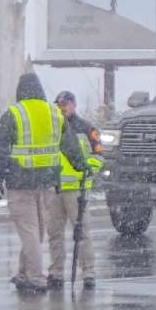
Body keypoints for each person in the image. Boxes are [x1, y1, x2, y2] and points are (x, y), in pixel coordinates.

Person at [0, 73, 88, 293]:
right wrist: (81, 165)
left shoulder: (15, 114)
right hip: (46, 182)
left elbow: (0, 146)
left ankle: (35, 277)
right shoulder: (54, 113)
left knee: (29, 231)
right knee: (37, 230)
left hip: (20, 180)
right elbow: (69, 144)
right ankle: (24, 273)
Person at [46, 91, 105, 290]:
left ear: (74, 105)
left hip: (77, 190)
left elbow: (98, 157)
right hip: (55, 188)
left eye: (66, 104)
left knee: (82, 233)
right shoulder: (52, 127)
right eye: (60, 104)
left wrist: (86, 172)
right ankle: (56, 272)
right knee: (54, 233)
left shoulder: (87, 128)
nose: (62, 108)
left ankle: (88, 272)